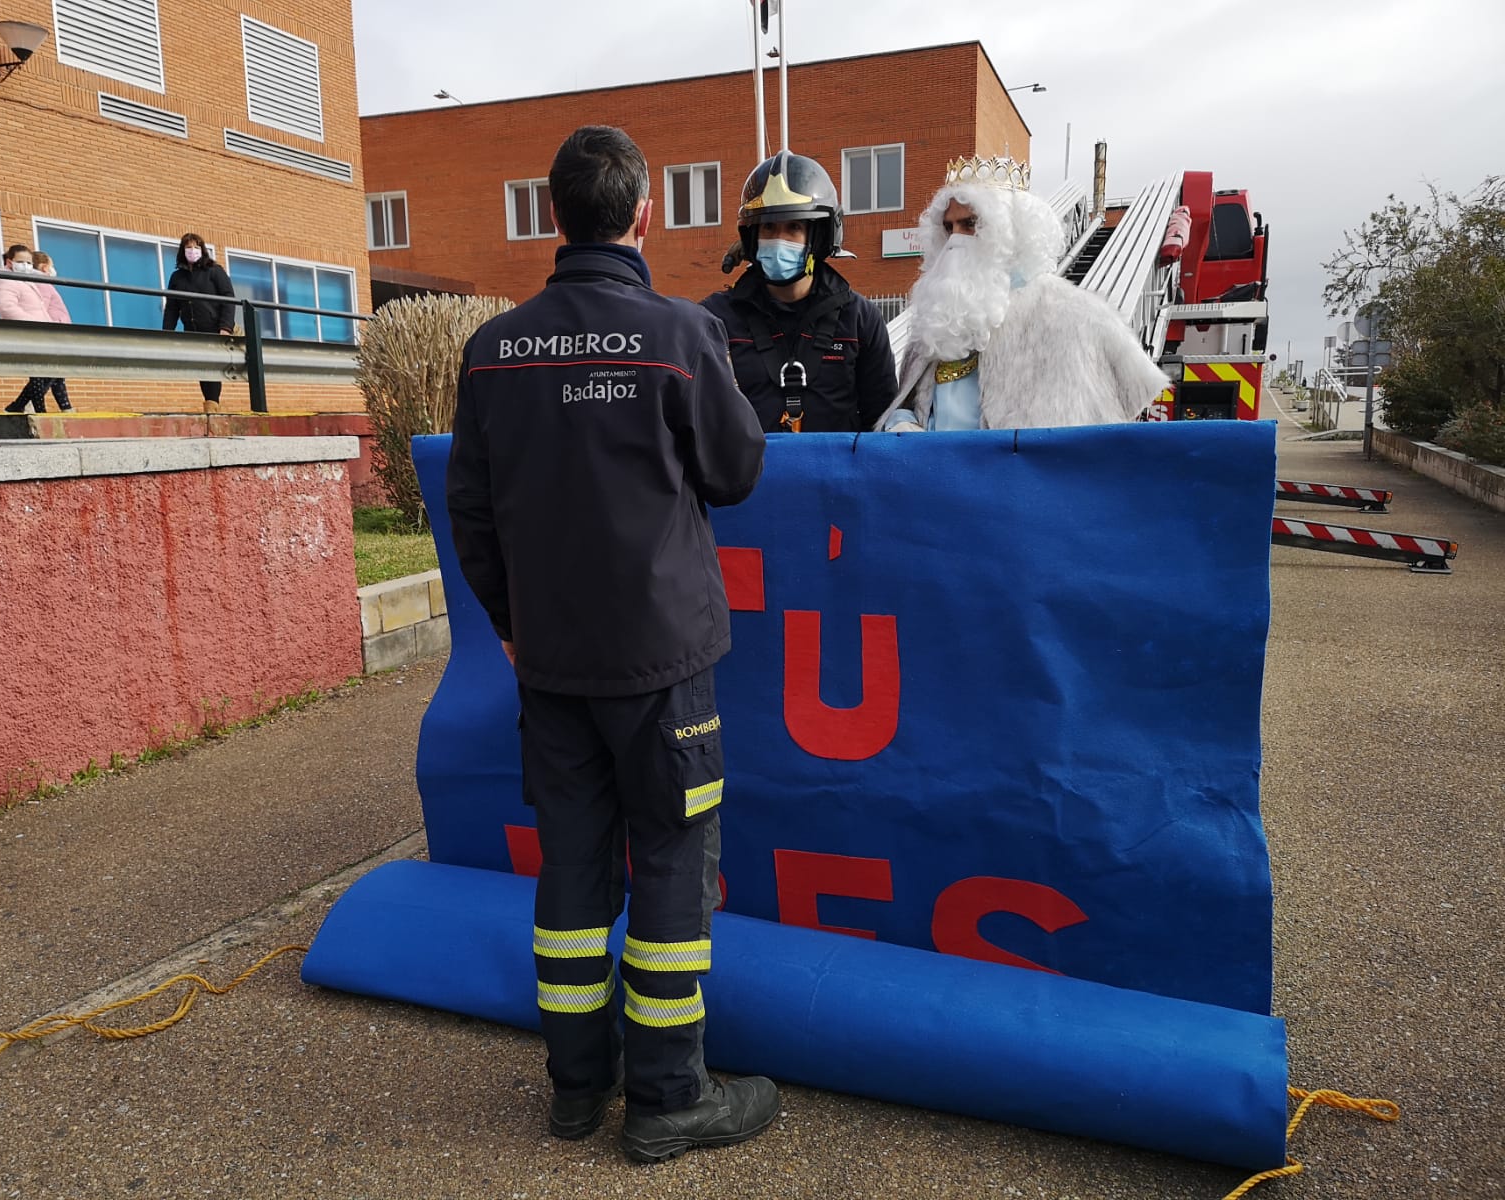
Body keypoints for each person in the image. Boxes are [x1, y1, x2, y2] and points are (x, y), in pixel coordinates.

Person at [446, 125, 777, 1165]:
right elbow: (735, 473)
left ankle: (576, 1091)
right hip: (663, 665)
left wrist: (510, 627)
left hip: (550, 666)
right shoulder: (681, 336)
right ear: (642, 216)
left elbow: (471, 514)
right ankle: (670, 1099)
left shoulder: (492, 350)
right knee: (674, 866)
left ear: (554, 217)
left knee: (573, 873)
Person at [877, 155, 1168, 432]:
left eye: (970, 224)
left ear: (1011, 230)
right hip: (937, 478)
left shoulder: (1074, 316)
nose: (956, 239)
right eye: (949, 227)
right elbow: (908, 404)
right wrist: (901, 422)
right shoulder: (934, 316)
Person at [701, 150, 897, 433]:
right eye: (768, 227)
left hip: (835, 477)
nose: (778, 239)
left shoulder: (860, 319)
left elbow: (882, 420)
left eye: (793, 227)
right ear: (753, 236)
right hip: (750, 477)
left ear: (818, 237)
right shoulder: (716, 319)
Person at [0, 244, 71, 413]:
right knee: (43, 372)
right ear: (10, 263)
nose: (25, 266)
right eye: (21, 262)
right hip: (33, 332)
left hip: (42, 332)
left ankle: (22, 406)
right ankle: (33, 408)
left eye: (28, 262)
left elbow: (40, 308)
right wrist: (33, 322)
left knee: (51, 372)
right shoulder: (9, 282)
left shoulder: (27, 282)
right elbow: (6, 307)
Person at [162, 232, 236, 407]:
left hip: (213, 328)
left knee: (212, 368)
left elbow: (229, 298)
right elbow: (172, 307)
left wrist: (225, 326)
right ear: (182, 251)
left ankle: (212, 405)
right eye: (188, 247)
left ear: (202, 250)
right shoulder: (177, 277)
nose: (192, 250)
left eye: (196, 247)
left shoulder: (214, 271)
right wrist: (167, 333)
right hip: (192, 330)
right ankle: (210, 405)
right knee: (203, 368)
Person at [30, 251, 74, 413]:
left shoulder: (38, 283)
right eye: (51, 266)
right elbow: (42, 308)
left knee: (56, 373)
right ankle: (25, 403)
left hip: (55, 331)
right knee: (51, 371)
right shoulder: (43, 284)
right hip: (54, 331)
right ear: (43, 267)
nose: (53, 270)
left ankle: (66, 406)